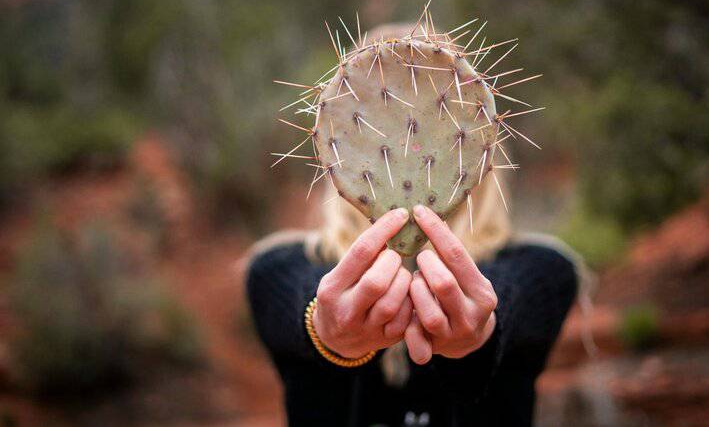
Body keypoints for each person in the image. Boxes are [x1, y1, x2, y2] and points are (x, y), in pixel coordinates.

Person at [245, 167, 579, 427]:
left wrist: (485, 322)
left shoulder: (542, 269)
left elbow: (510, 294)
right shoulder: (277, 268)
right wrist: (323, 323)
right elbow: (300, 293)